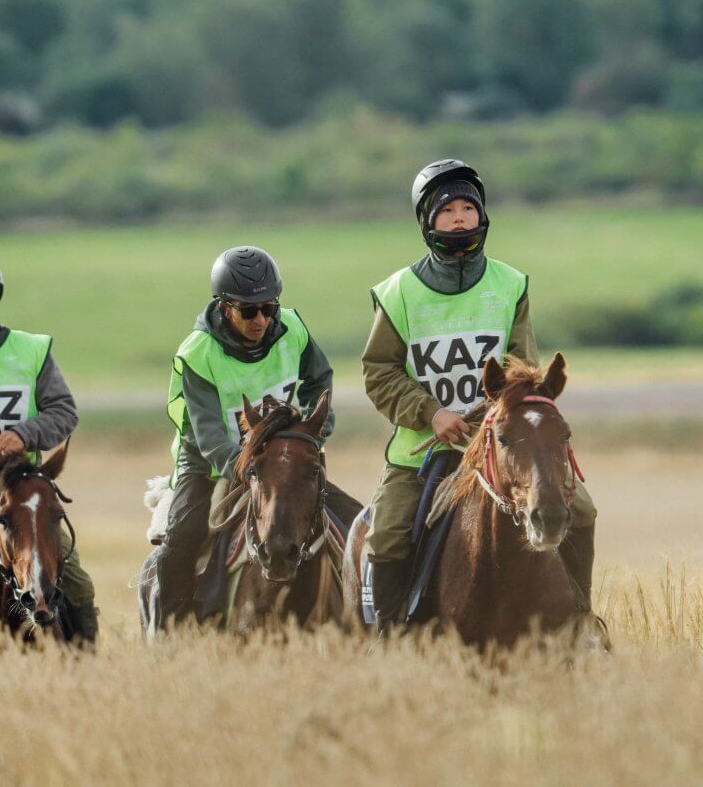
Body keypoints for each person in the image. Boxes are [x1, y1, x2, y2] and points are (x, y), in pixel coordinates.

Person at [362, 159, 598, 630]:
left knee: (582, 509)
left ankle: (580, 621)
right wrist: (431, 414)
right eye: (446, 209)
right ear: (427, 222)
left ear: (482, 216)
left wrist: (501, 416)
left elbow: (523, 369)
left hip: (502, 446)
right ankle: (388, 637)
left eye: (468, 207)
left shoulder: (510, 285)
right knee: (386, 535)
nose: (459, 217)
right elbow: (378, 371)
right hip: (422, 452)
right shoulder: (398, 293)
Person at [151, 246, 341, 630]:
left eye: (268, 308)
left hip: (278, 457)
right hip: (209, 463)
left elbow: (319, 381)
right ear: (224, 308)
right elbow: (208, 435)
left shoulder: (293, 328)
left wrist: (314, 429)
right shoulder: (198, 353)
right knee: (181, 538)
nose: (261, 319)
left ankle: (361, 618)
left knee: (348, 522)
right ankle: (168, 632)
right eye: (248, 311)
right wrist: (250, 468)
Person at [0, 251, 99, 642]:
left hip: (21, 494)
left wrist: (25, 435)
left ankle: (85, 661)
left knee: (76, 583)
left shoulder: (32, 350)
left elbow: (64, 412)